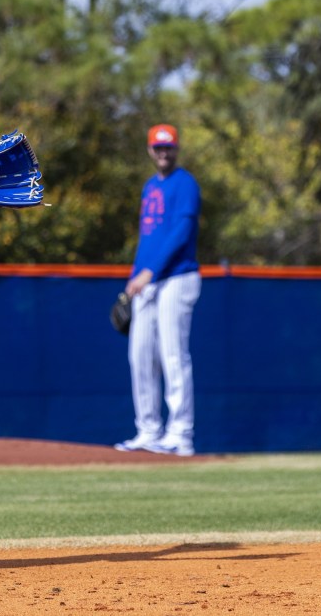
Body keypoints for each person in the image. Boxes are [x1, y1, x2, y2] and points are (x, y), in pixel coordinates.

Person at [114, 124, 202, 457]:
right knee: (139, 355)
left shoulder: (186, 184)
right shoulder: (150, 186)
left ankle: (181, 434)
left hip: (177, 278)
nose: (163, 153)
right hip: (147, 282)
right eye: (158, 147)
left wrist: (148, 273)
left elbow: (181, 233)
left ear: (177, 149)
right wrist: (136, 275)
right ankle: (148, 430)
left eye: (168, 147)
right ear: (150, 150)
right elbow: (147, 237)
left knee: (172, 355)